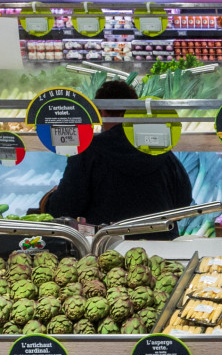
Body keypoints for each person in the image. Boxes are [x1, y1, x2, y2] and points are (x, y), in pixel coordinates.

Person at [41, 80, 193, 238]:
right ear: (133, 111)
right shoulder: (157, 147)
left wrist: (49, 200)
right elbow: (183, 200)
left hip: (108, 249)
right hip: (161, 247)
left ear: (102, 112)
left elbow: (65, 208)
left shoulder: (87, 151)